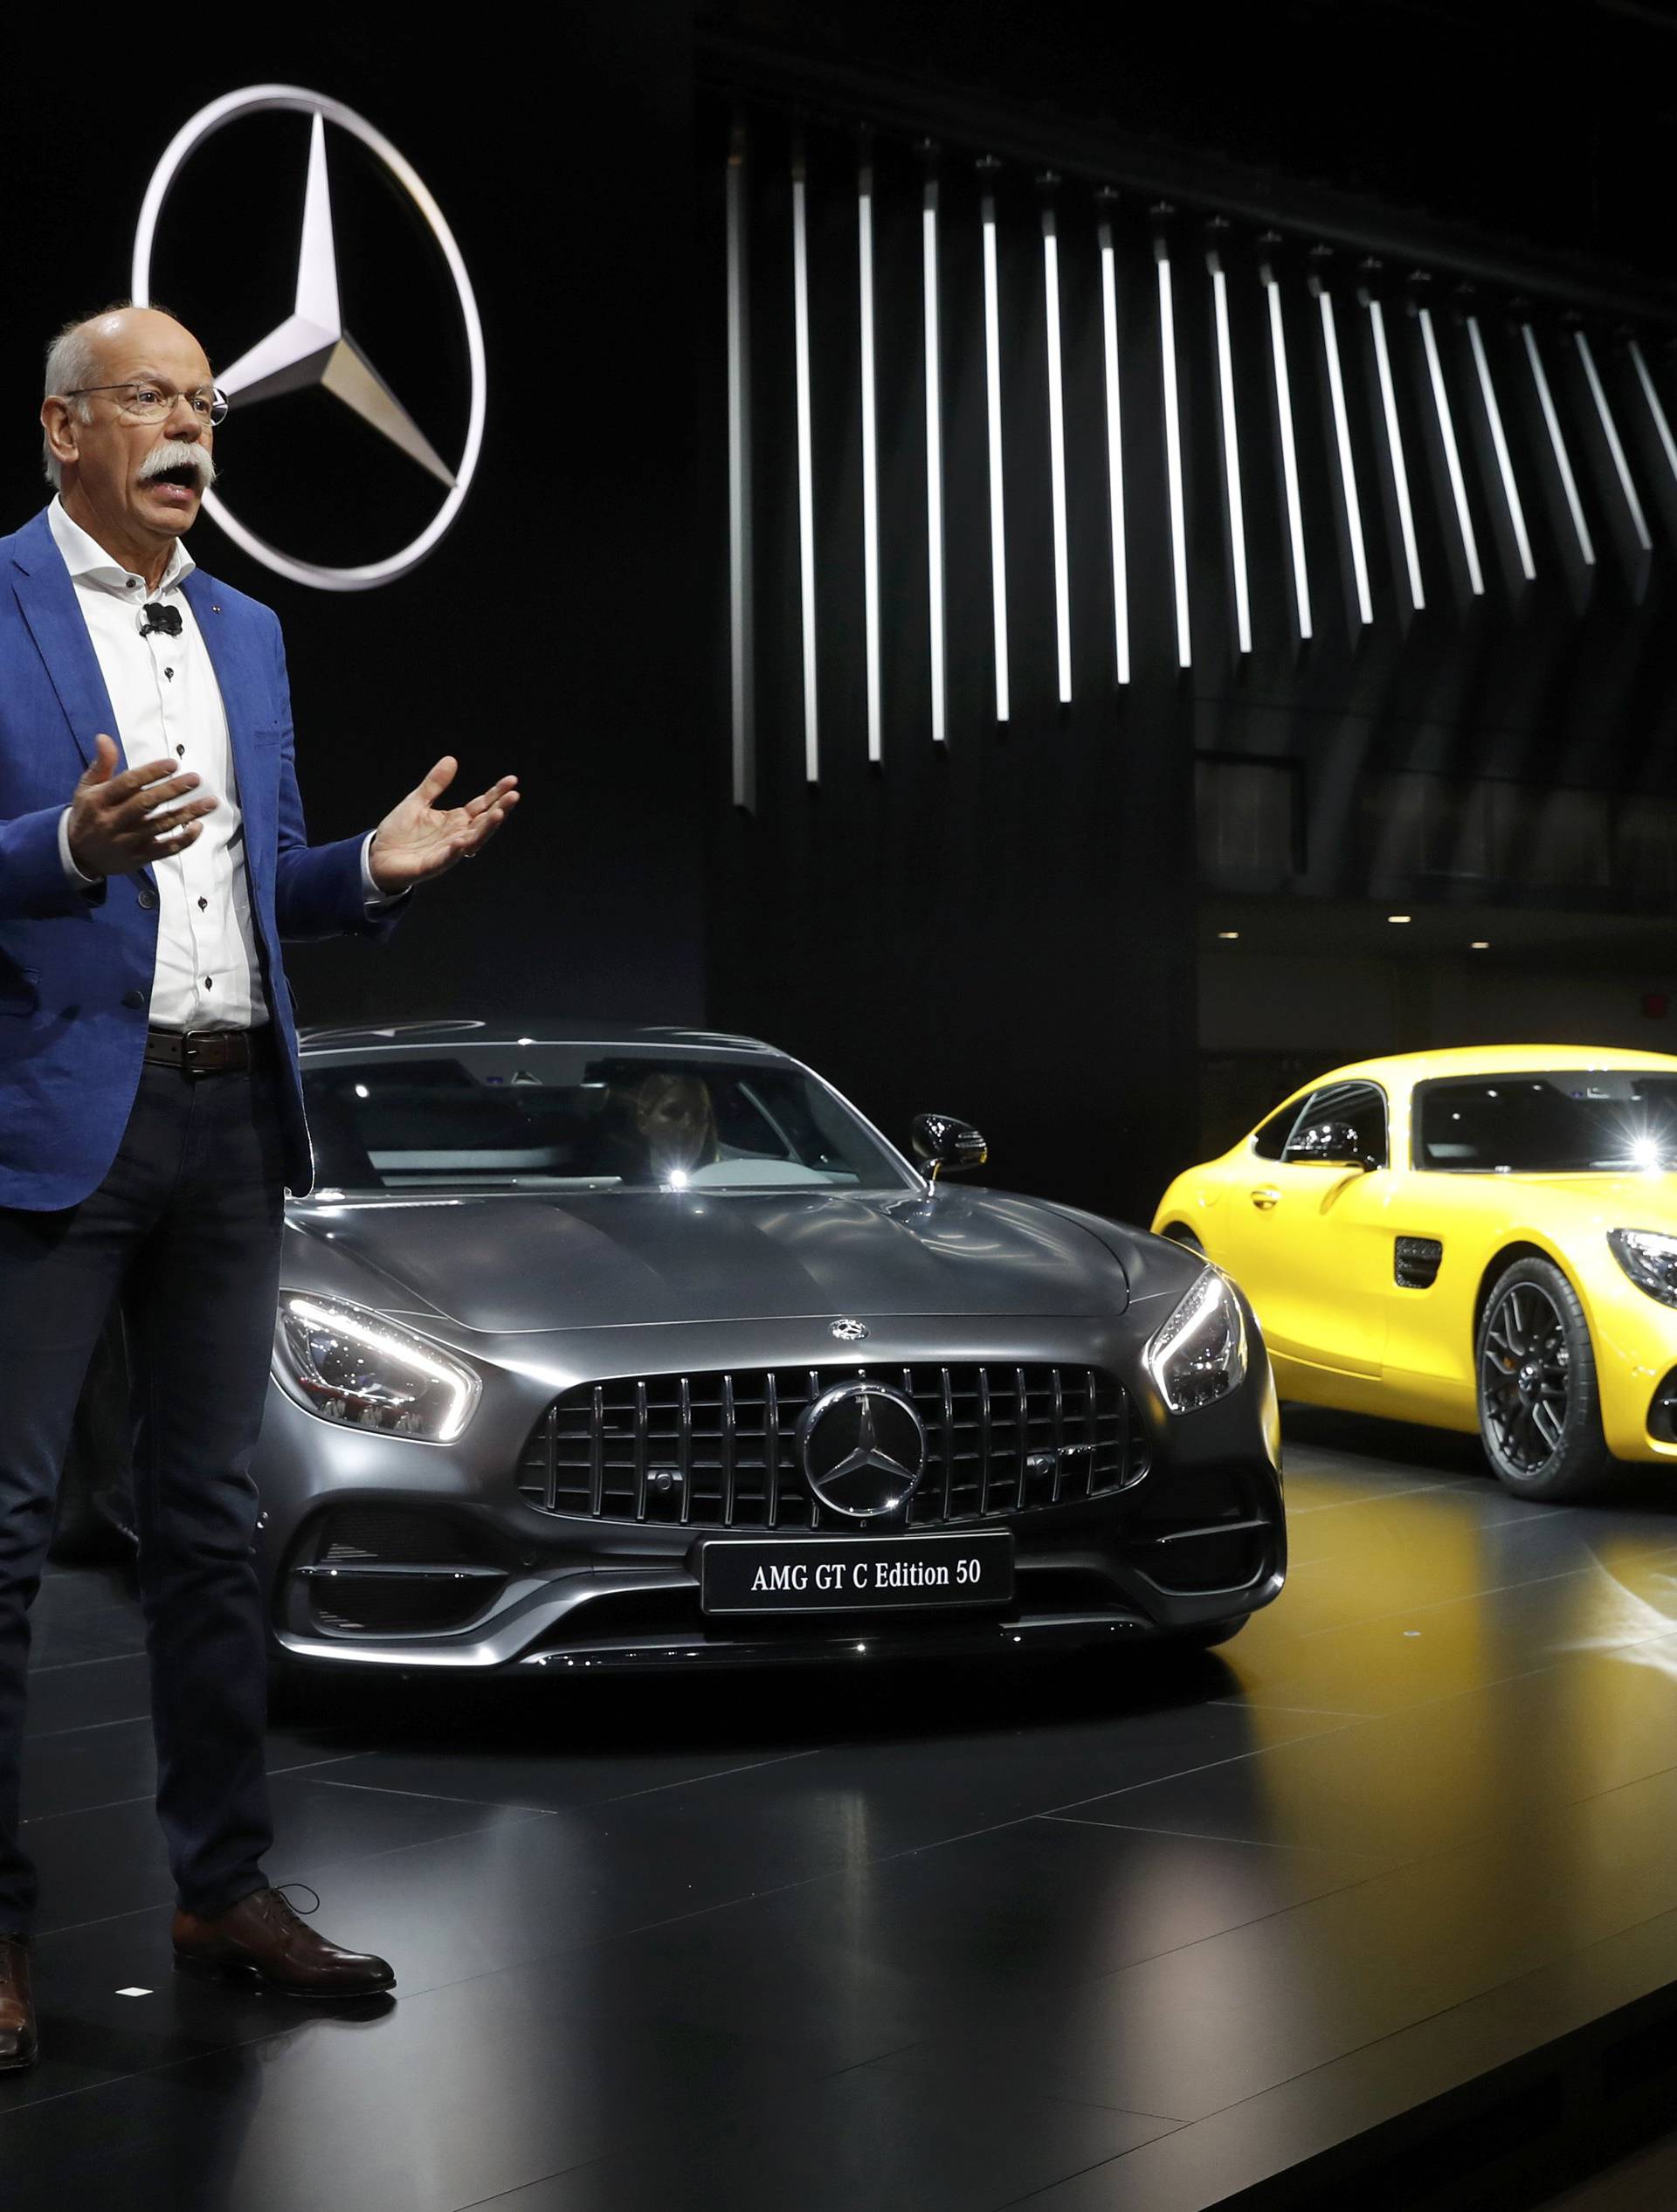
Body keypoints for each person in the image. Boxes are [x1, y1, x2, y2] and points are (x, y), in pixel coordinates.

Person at [0, 304, 520, 2070]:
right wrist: (63, 841)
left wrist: (365, 867)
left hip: (232, 1114)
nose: (192, 429)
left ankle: (223, 1885)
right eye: (153, 398)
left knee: (211, 1525)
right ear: (64, 428)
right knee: (3, 1539)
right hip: (54, 1120)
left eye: (210, 404)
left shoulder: (248, 627)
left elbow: (251, 880)